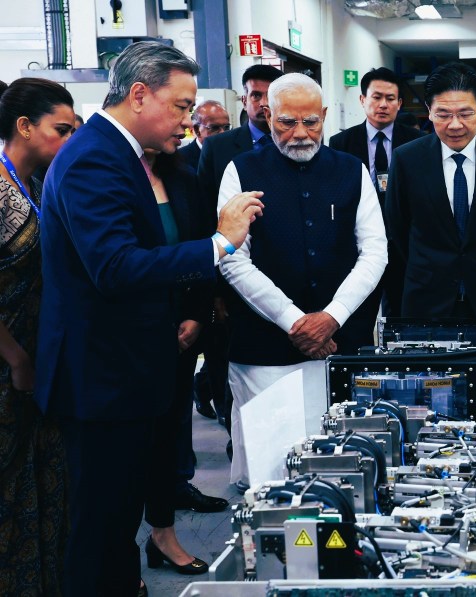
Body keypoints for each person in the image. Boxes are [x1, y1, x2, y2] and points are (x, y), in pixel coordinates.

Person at [34, 41, 264, 597]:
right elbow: (115, 267)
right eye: (181, 106)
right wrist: (219, 244)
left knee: (117, 522)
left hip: (126, 372)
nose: (187, 120)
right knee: (100, 527)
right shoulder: (94, 157)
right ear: (139, 95)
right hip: (101, 377)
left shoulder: (123, 154)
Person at [218, 73, 387, 491]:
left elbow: (375, 252)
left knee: (340, 468)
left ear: (324, 115)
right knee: (269, 473)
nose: (299, 133)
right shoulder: (240, 171)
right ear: (267, 115)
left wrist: (332, 317)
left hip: (339, 343)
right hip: (263, 349)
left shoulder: (351, 170)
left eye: (310, 122)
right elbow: (232, 259)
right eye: (286, 122)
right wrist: (295, 321)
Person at [0, 77, 74, 597]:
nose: (68, 141)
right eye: (60, 130)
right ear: (24, 126)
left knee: (42, 478)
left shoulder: (39, 181)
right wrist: (15, 357)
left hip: (37, 355)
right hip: (10, 360)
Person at [385, 62, 476, 326]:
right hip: (426, 299)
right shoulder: (407, 159)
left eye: (465, 113)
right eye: (443, 114)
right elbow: (398, 229)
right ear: (429, 111)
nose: (455, 124)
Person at [138, 146, 219, 578]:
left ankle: (162, 534)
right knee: (126, 447)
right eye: (176, 112)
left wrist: (196, 314)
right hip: (128, 335)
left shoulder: (184, 178)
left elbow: (204, 248)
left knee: (167, 436)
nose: (181, 121)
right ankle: (118, 553)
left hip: (179, 331)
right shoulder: (109, 176)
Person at [194, 64, 283, 440]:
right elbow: (204, 217)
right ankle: (236, 436)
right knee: (227, 360)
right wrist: (213, 289)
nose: (263, 104)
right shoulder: (219, 148)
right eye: (255, 95)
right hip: (229, 275)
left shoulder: (297, 140)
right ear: (244, 99)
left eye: (270, 96)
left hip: (280, 274)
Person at [328, 67, 424, 333]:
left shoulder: (418, 143)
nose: (383, 104)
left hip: (403, 247)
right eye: (376, 97)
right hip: (358, 247)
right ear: (362, 100)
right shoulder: (341, 143)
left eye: (390, 98)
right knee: (357, 318)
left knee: (403, 320)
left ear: (399, 103)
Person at [178, 100, 230, 172]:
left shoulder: (234, 153)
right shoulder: (180, 160)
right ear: (197, 130)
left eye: (226, 127)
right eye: (215, 128)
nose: (223, 133)